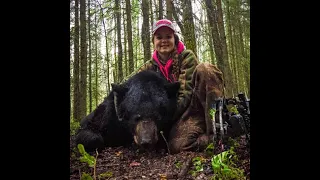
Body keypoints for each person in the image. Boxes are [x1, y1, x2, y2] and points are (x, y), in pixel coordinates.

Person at [138, 19, 225, 154]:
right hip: (182, 119)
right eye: (159, 37)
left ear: (175, 38)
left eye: (168, 36)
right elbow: (132, 84)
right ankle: (209, 140)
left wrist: (165, 117)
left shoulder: (186, 57)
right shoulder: (148, 67)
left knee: (205, 69)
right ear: (153, 41)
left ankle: (219, 130)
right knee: (177, 146)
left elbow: (185, 94)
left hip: (196, 107)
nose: (164, 41)